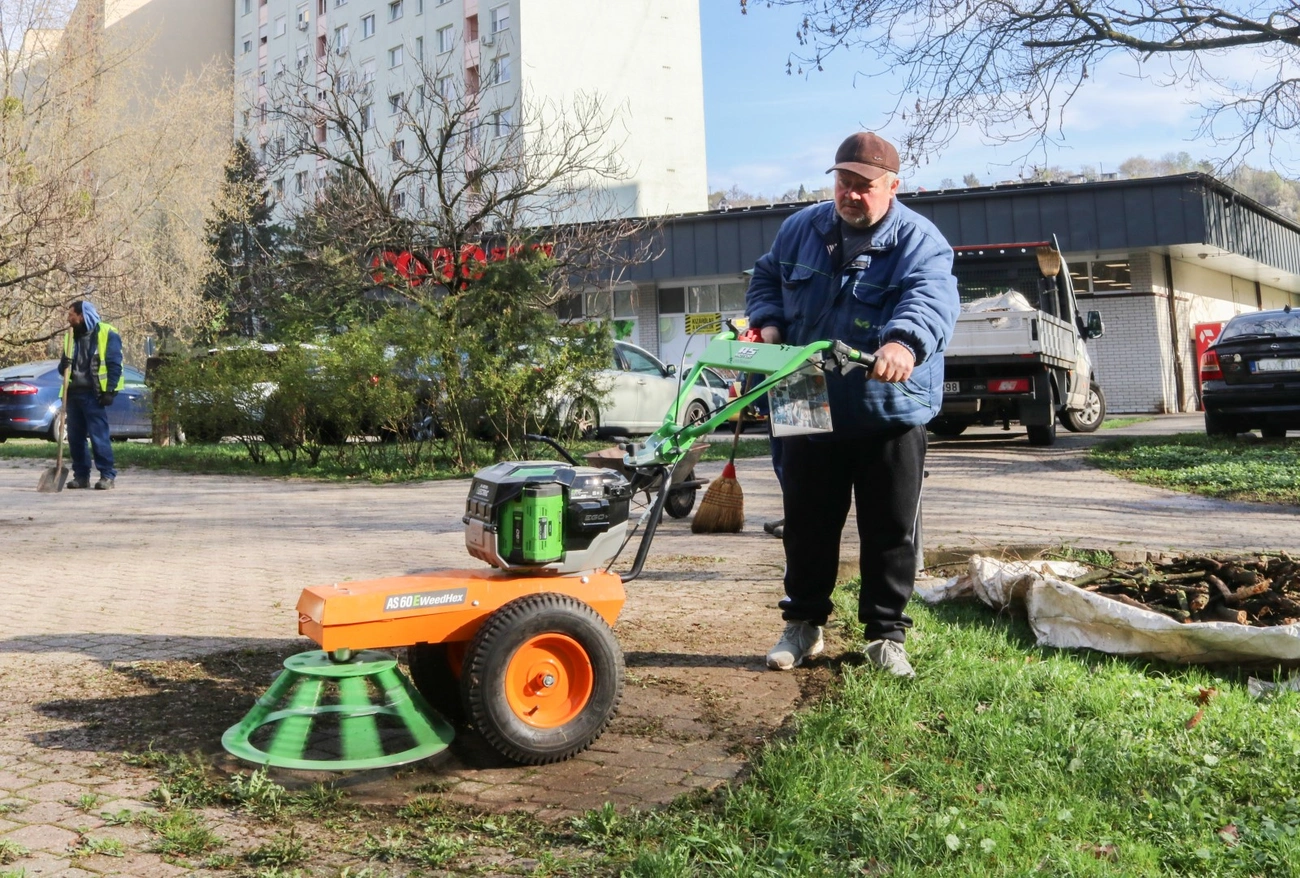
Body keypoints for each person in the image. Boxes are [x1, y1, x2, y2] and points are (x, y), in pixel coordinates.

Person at [744, 132, 960, 677]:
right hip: (801, 390)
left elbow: (930, 297)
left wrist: (902, 342)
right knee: (806, 521)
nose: (851, 194)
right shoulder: (802, 228)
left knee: (889, 527)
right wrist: (767, 321)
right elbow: (767, 274)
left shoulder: (920, 240)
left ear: (892, 186)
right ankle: (803, 625)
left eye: (864, 185)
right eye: (843, 181)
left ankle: (885, 636)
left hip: (885, 402)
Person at [58, 300, 123, 490]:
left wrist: (109, 391)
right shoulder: (70, 337)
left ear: (82, 315)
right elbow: (62, 369)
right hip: (74, 394)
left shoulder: (106, 333)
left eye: (71, 314)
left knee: (98, 436)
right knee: (75, 438)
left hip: (94, 394)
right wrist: (65, 364)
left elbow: (114, 364)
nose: (69, 318)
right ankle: (81, 476)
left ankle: (107, 476)